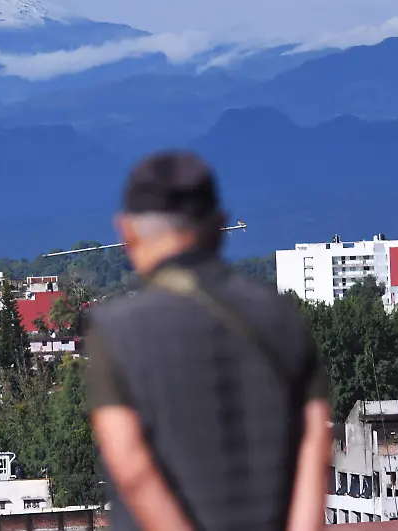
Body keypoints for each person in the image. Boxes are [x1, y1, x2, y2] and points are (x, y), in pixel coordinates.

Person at [87, 150, 331, 531]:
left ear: (126, 231)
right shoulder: (283, 316)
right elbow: (315, 447)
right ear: (219, 226)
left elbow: (132, 468)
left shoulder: (116, 331)